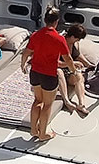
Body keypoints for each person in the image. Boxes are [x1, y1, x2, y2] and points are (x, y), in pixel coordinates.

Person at [21, 8, 71, 142]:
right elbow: (68, 59)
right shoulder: (59, 39)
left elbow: (26, 52)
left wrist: (22, 64)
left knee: (38, 100)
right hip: (49, 75)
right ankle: (43, 134)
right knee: (48, 104)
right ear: (57, 22)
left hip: (35, 73)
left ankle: (33, 129)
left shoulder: (36, 35)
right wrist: (73, 69)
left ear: (44, 20)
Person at [59, 21, 92, 116]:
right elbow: (57, 63)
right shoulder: (60, 42)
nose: (78, 41)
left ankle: (81, 104)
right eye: (77, 39)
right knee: (59, 72)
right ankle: (66, 100)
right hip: (58, 68)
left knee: (79, 77)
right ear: (73, 37)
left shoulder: (73, 44)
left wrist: (88, 64)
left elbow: (77, 54)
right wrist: (72, 63)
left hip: (68, 69)